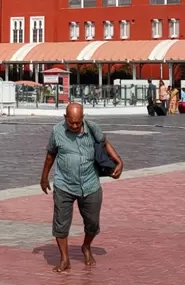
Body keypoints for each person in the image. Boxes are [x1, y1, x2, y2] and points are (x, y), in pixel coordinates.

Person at [40, 101, 123, 273]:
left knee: (92, 224)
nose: (75, 125)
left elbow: (105, 143)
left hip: (90, 184)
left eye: (78, 122)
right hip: (64, 184)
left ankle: (86, 246)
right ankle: (64, 259)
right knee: (61, 224)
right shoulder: (57, 131)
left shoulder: (93, 129)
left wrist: (119, 161)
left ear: (83, 117)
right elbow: (50, 155)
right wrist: (44, 178)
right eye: (71, 122)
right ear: (65, 118)